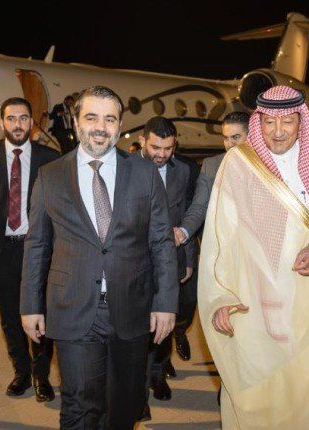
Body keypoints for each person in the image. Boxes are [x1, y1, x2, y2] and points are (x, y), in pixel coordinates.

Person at [198, 86, 309, 429]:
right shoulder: (239, 162)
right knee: (265, 396)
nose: (278, 132)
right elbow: (220, 236)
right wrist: (220, 296)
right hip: (258, 301)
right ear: (258, 122)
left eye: (287, 122)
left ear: (301, 121)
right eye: (269, 123)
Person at [20, 86, 178, 429]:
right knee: (80, 405)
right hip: (73, 306)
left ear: (120, 125)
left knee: (125, 406)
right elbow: (37, 245)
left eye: (110, 119)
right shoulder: (50, 176)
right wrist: (30, 305)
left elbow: (162, 242)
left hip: (131, 308)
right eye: (91, 117)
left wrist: (166, 302)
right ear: (77, 122)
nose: (101, 127)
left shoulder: (144, 173)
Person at [0, 98, 58, 402]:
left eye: (23, 118)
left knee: (40, 313)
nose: (18, 124)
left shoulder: (50, 158)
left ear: (32, 123)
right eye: (11, 118)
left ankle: (41, 376)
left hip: (38, 250)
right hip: (0, 250)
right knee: (9, 316)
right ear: (2, 122)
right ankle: (22, 372)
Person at [171, 111, 249, 367]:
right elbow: (199, 206)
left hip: (257, 258)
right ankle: (230, 374)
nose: (229, 144)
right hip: (223, 256)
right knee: (224, 317)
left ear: (251, 135)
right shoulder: (213, 165)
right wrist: (183, 232)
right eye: (226, 138)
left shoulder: (268, 164)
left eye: (236, 137)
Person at [138, 117, 196, 411]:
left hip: (169, 258)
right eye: (155, 148)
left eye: (168, 148)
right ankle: (137, 389)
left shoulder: (181, 171)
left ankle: (158, 376)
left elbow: (185, 215)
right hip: (135, 260)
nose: (161, 155)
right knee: (138, 326)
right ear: (142, 141)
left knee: (165, 318)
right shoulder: (125, 168)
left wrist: (187, 258)